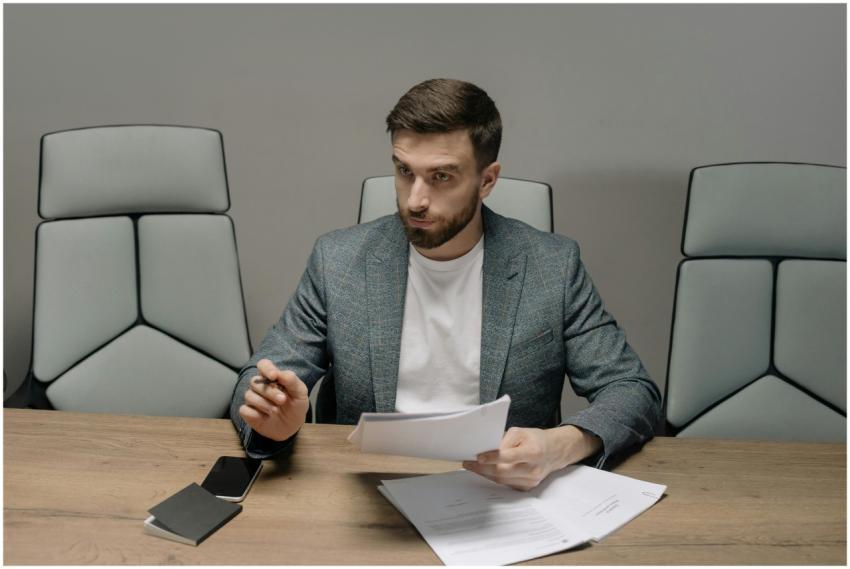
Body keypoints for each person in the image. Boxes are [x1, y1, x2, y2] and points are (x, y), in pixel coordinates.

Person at [230, 78, 662, 490]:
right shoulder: (338, 261)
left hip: (501, 492)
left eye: (441, 177)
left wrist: (560, 445)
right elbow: (257, 379)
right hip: (370, 489)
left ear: (487, 180)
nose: (415, 198)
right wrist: (274, 419)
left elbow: (632, 392)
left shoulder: (552, 267)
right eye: (404, 171)